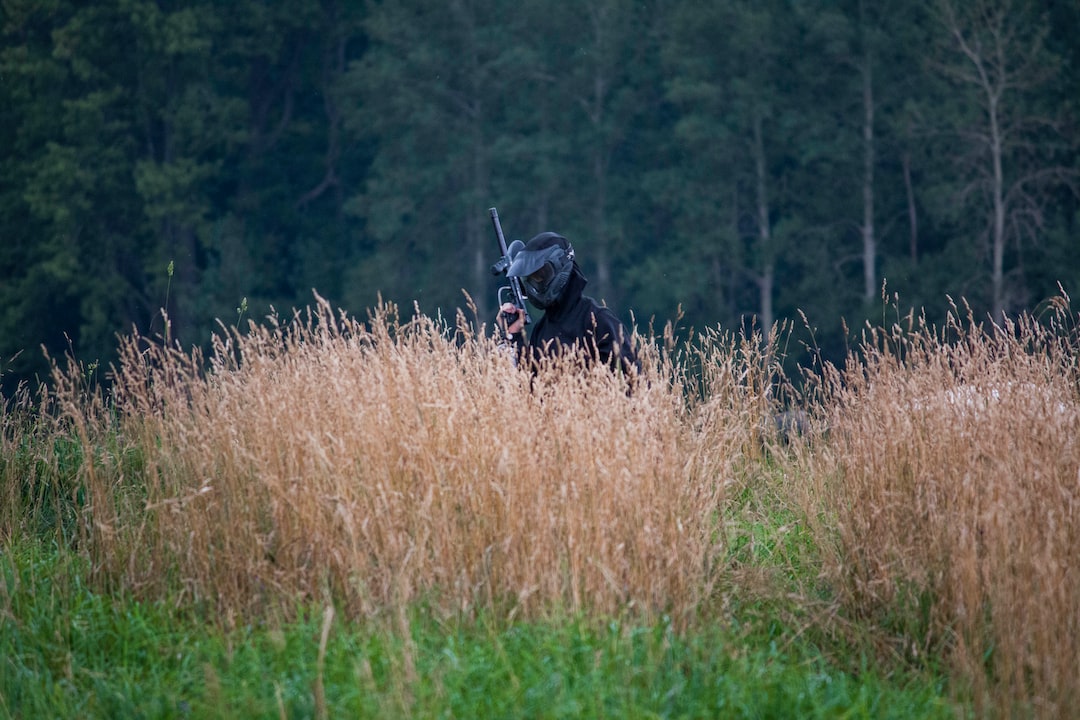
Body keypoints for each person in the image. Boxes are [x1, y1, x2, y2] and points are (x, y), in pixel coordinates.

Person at [497, 231, 639, 378]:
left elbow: (632, 382)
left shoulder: (598, 321)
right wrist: (513, 336)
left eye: (540, 276)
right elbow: (529, 389)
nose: (535, 283)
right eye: (532, 278)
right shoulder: (541, 330)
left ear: (560, 266)